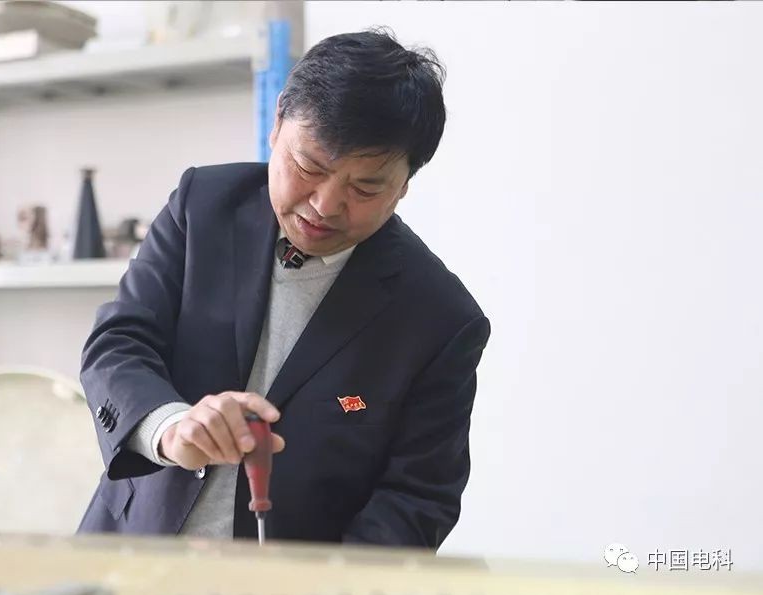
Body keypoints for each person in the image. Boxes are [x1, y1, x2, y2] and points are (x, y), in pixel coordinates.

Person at [77, 29, 490, 550]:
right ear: (277, 125)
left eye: (365, 187)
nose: (324, 205)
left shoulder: (440, 319)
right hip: (128, 554)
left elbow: (416, 498)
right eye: (309, 166)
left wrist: (324, 585)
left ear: (405, 185)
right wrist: (170, 428)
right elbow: (118, 343)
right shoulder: (203, 205)